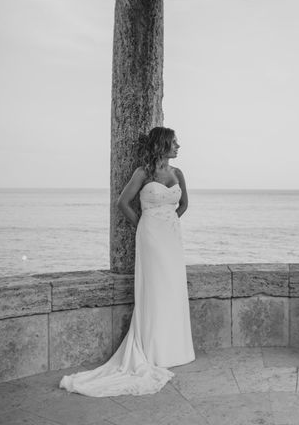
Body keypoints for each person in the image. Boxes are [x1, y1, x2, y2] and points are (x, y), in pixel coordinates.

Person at [60, 126, 195, 396]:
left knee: (173, 287)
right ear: (162, 144)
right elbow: (123, 202)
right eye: (174, 142)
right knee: (156, 289)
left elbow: (184, 205)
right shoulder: (143, 173)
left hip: (171, 237)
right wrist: (144, 224)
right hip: (151, 237)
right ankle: (154, 349)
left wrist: (168, 222)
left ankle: (175, 348)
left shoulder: (177, 173)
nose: (178, 146)